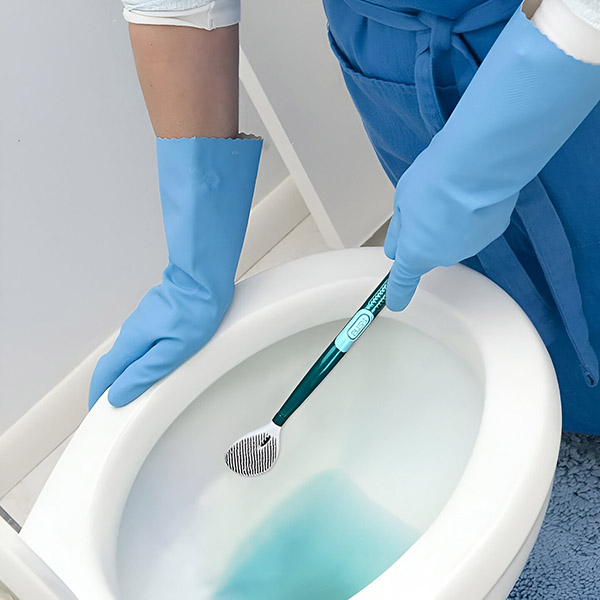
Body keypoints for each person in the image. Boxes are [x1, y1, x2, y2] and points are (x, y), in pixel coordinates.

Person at [89, 0, 600, 436]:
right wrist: (195, 268)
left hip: (561, 41)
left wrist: (481, 161)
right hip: (385, 53)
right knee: (494, 290)